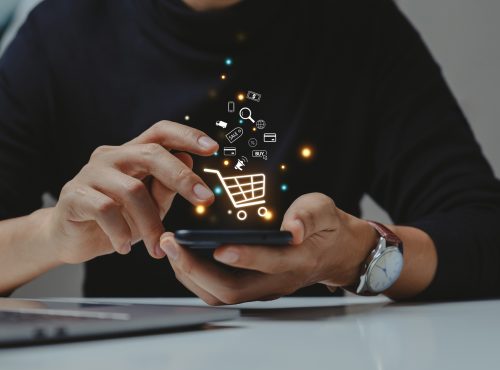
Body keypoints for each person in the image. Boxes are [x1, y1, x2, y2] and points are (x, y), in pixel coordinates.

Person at [0, 0, 499, 303]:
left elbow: (484, 231)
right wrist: (53, 235)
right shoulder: (63, 32)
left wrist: (358, 255)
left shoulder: (354, 23)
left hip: (324, 367)